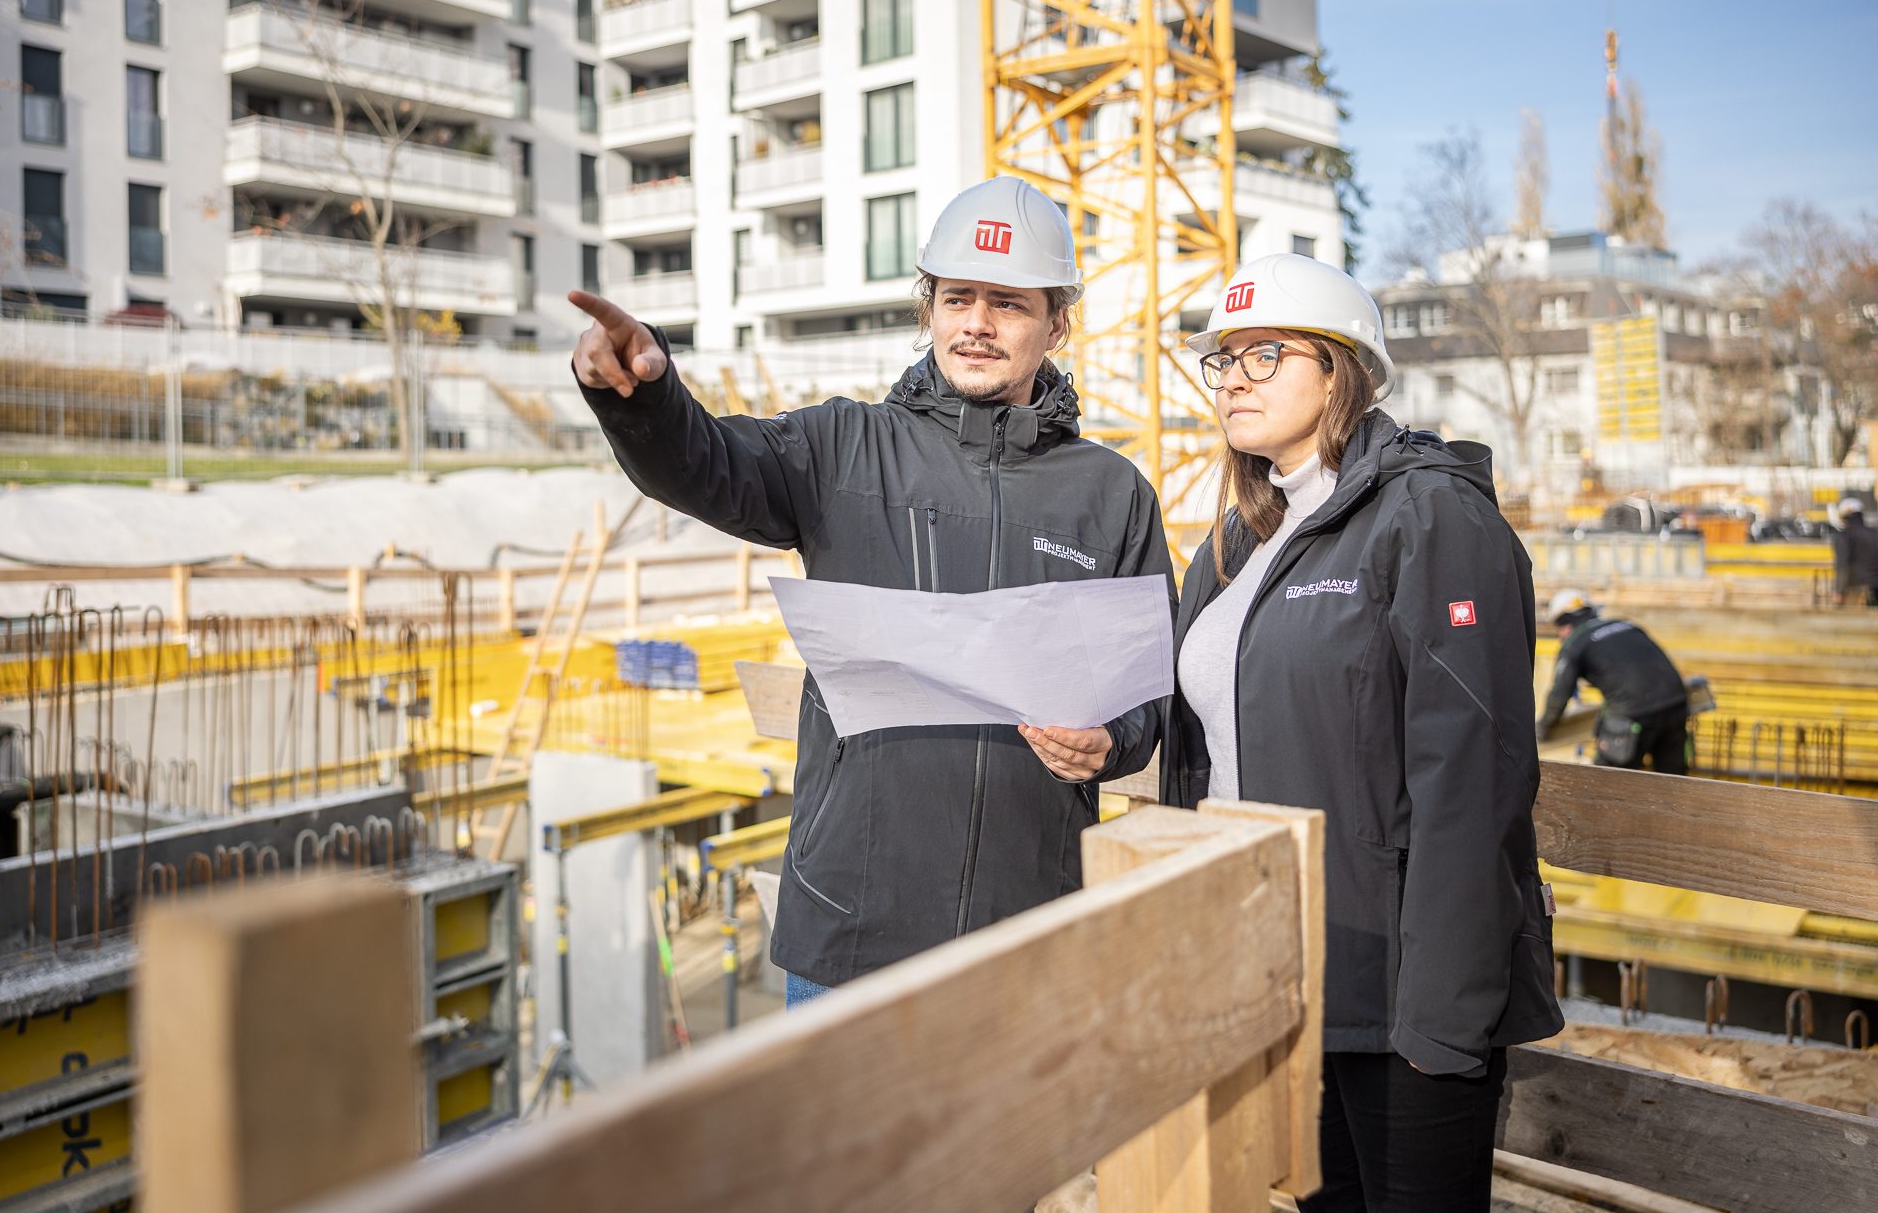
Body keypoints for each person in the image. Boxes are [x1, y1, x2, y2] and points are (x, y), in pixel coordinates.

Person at [570, 176, 1174, 1006]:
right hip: (850, 932)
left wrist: (1113, 742)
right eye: (957, 297)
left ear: (1057, 322)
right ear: (928, 309)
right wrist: (641, 397)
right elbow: (706, 463)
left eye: (1008, 303)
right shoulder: (842, 449)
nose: (977, 324)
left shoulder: (1112, 494)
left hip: (1030, 928)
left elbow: (1148, 695)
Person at [1160, 254, 1562, 1213]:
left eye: (1266, 353)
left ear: (1340, 370)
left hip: (1398, 1003)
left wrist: (1443, 1024)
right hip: (1276, 979)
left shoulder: (1429, 517)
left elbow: (1475, 782)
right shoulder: (1231, 548)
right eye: (1224, 360)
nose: (1235, 379)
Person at [1534, 590, 1690, 773]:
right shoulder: (1626, 625)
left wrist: (1543, 728)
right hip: (1676, 704)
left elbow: (1559, 694)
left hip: (1633, 715)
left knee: (1605, 784)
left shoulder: (1575, 642)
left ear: (1564, 625)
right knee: (1674, 783)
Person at [1832, 498, 1878, 607]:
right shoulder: (1875, 534)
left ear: (1844, 517)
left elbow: (1843, 565)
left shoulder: (1844, 537)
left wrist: (1839, 591)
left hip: (1856, 591)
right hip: (1876, 589)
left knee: (1851, 623)